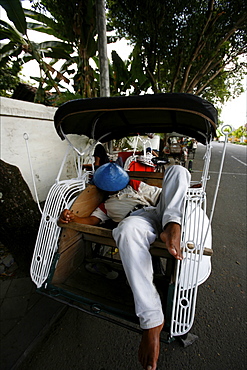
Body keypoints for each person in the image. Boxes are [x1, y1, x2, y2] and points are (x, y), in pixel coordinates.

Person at [59, 162, 191, 370]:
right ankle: (152, 320)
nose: (118, 190)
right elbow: (91, 220)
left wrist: (176, 197)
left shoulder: (136, 185)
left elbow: (163, 196)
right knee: (125, 230)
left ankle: (173, 226)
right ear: (104, 190)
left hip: (160, 213)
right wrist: (73, 217)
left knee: (178, 171)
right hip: (138, 223)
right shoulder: (105, 206)